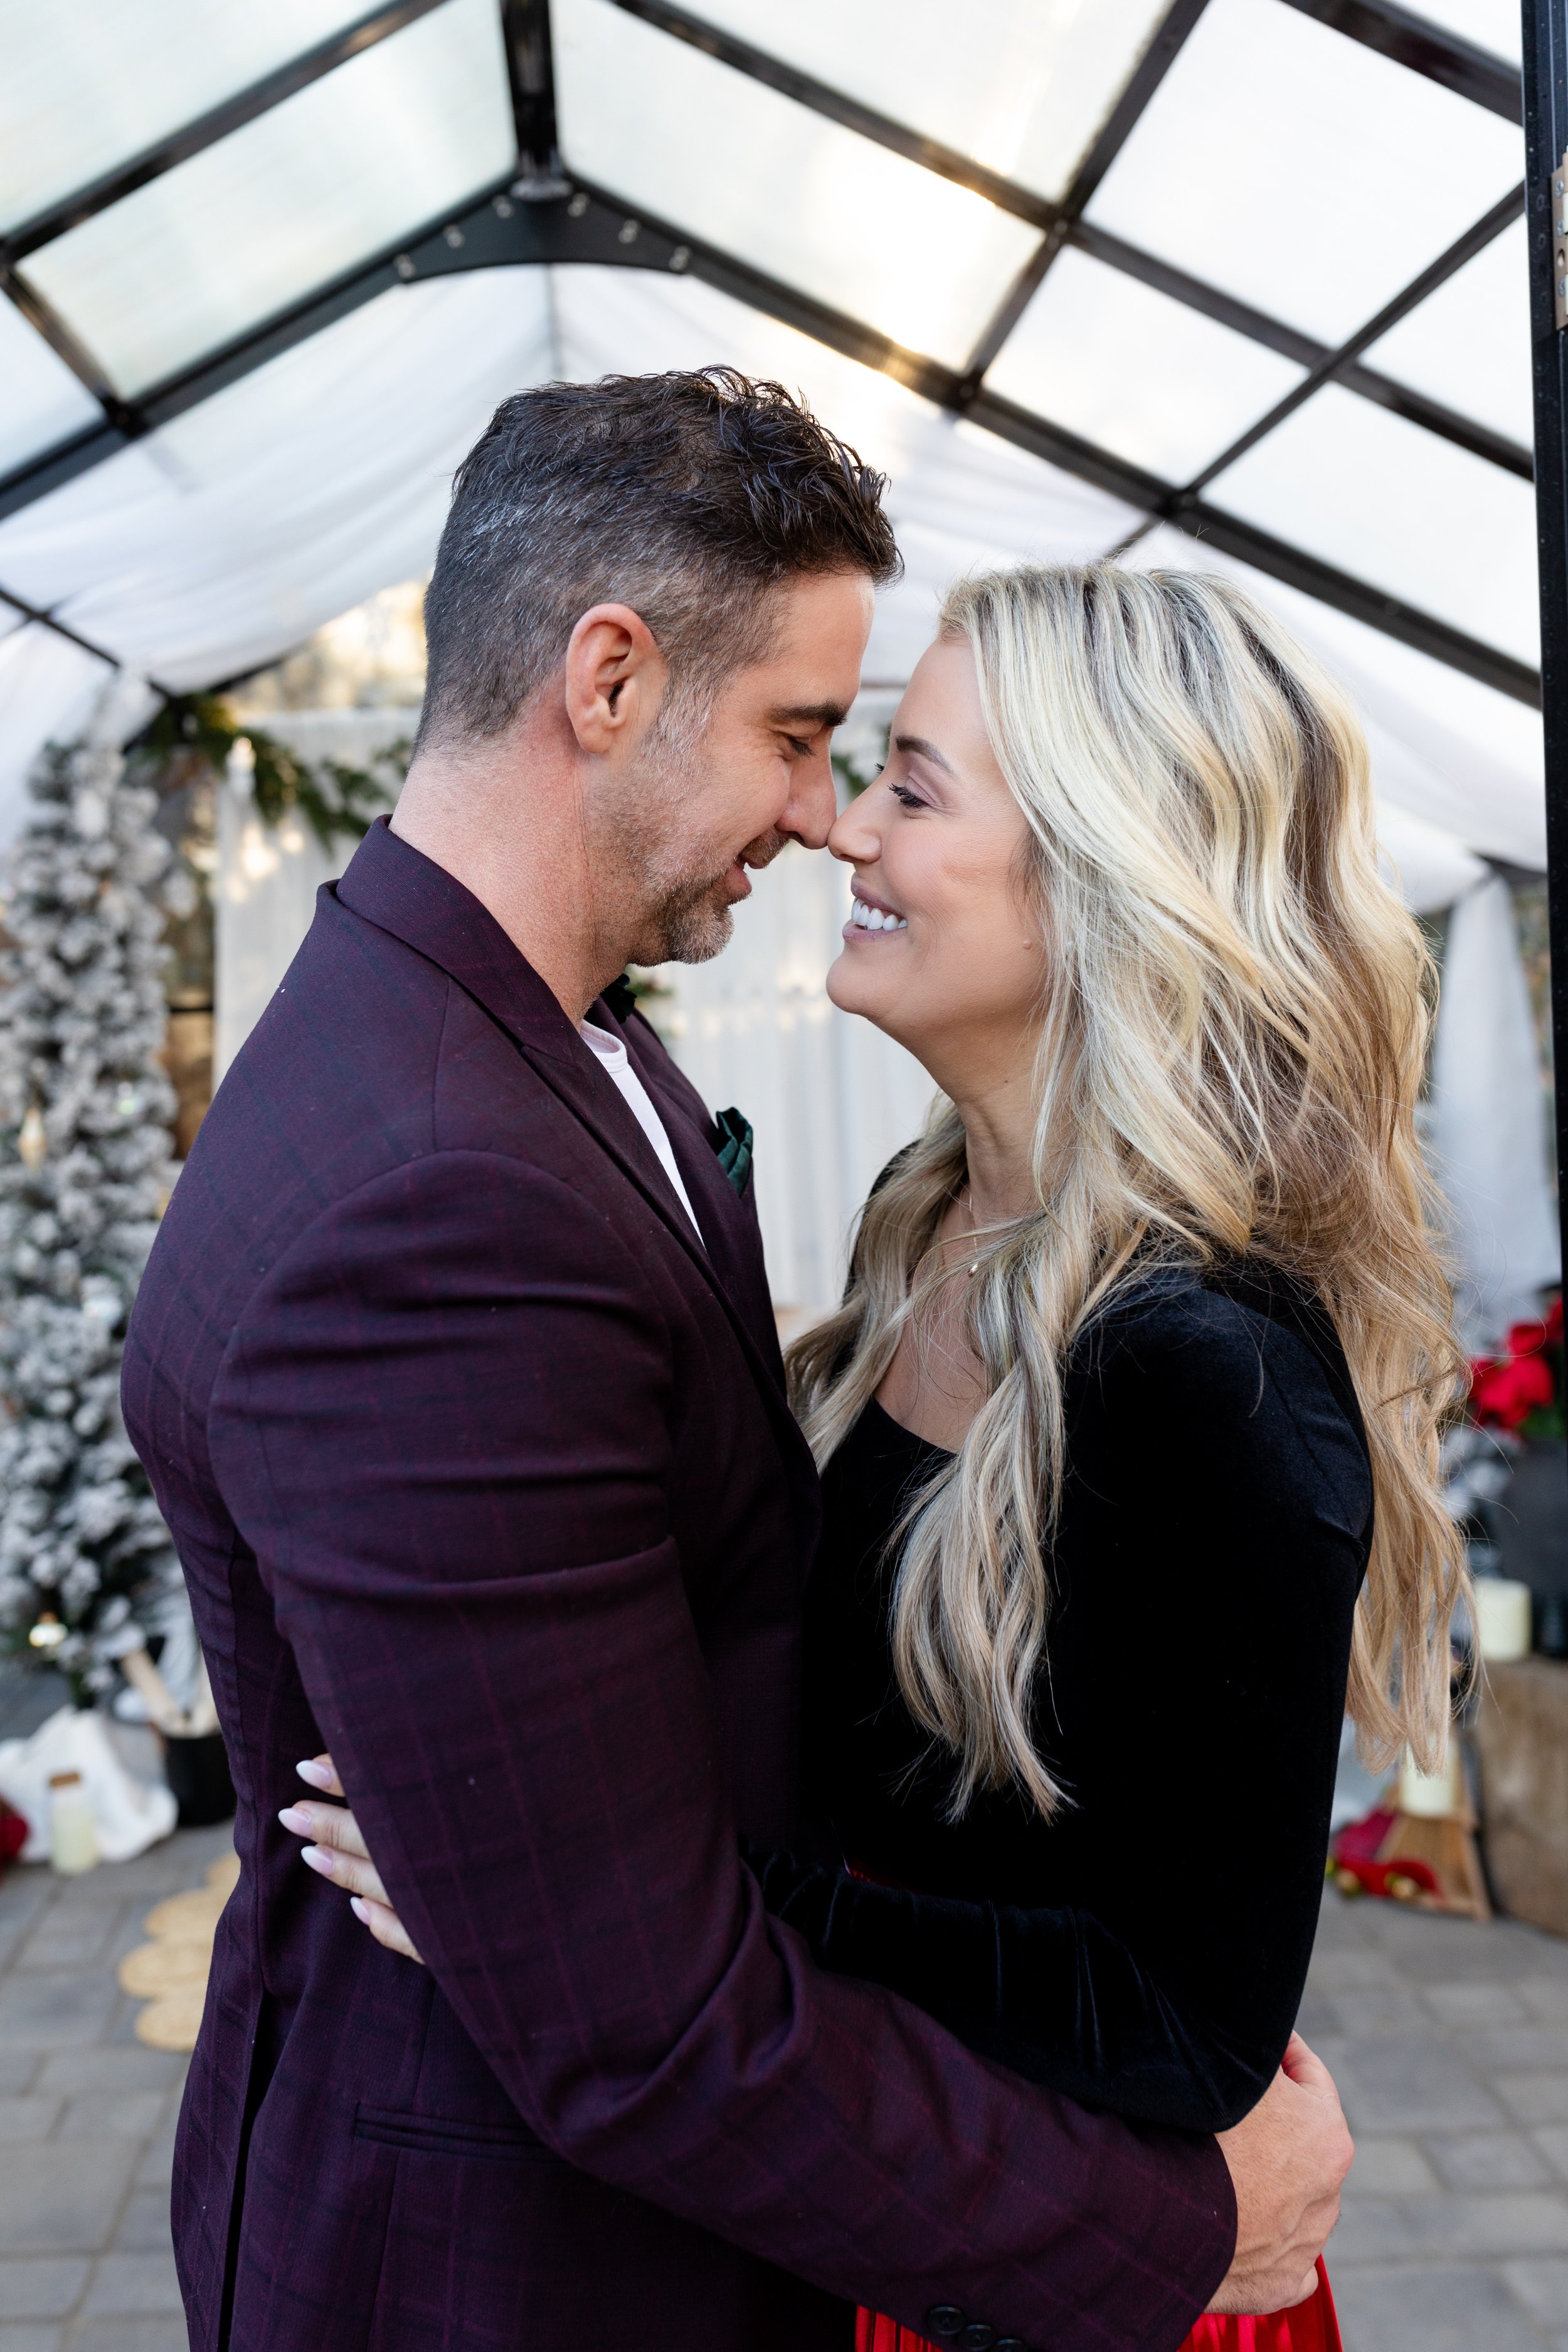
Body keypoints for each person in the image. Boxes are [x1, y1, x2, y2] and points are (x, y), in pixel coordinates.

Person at [124, 375, 1350, 2352]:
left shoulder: (549, 1064)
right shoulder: (463, 1181)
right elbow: (626, 2019)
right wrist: (557, 1906)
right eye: (804, 737)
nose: (826, 812)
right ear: (606, 680)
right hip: (556, 2249)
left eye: (896, 776)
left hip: (904, 2186)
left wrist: (566, 1890)